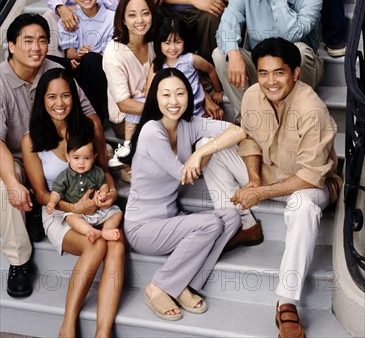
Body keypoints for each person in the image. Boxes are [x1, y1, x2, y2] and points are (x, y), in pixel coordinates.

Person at [182, 37, 342, 338]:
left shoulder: (313, 109)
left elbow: (309, 177)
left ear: (295, 73)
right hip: (268, 172)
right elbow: (250, 137)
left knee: (303, 206)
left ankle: (287, 302)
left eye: (279, 73)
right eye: (264, 73)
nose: (270, 81)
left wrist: (260, 192)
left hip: (307, 184)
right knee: (208, 147)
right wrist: (254, 177)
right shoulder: (255, 94)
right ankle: (241, 224)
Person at [0, 13, 113, 299]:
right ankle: (20, 261)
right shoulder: (1, 81)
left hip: (61, 148)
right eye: (27, 41)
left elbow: (88, 115)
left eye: (42, 40)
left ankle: (43, 206)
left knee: (99, 155)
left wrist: (98, 158)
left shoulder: (56, 73)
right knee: (6, 187)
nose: (35, 47)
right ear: (11, 45)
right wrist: (14, 183)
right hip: (14, 152)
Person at [124, 68, 241, 321]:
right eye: (166, 95)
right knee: (210, 223)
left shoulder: (190, 124)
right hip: (142, 227)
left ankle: (186, 285)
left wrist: (201, 151)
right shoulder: (151, 132)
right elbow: (186, 175)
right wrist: (205, 151)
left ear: (189, 96)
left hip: (170, 218)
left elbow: (238, 130)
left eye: (180, 93)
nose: (173, 101)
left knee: (232, 217)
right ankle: (158, 286)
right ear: (155, 98)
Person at [22, 68, 124, 338]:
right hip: (59, 212)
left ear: (74, 97)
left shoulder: (90, 127)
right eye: (52, 97)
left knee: (116, 243)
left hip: (96, 209)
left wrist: (109, 195)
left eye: (66, 95)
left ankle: (103, 332)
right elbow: (42, 195)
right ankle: (67, 327)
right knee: (97, 242)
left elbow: (105, 172)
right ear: (42, 100)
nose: (59, 104)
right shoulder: (31, 141)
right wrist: (75, 208)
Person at [213, 0, 323, 121]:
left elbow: (291, 35)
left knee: (300, 50)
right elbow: (226, 25)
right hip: (261, 68)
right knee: (221, 54)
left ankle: (293, 116)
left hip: (297, 69)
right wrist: (233, 53)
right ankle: (251, 119)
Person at [103, 0, 157, 162]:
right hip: (126, 119)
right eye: (132, 15)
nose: (140, 21)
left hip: (152, 104)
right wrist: (161, 110)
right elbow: (124, 104)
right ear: (123, 20)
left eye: (145, 13)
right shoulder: (114, 53)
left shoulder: (153, 40)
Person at [46, 122, 122, 244]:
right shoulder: (64, 176)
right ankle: (90, 231)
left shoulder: (97, 171)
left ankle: (106, 230)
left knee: (117, 212)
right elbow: (56, 192)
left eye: (87, 158)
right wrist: (52, 201)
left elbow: (104, 184)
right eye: (76, 158)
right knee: (70, 218)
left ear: (94, 157)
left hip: (98, 209)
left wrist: (103, 194)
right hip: (79, 213)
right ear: (68, 157)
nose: (81, 163)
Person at [57, 0, 115, 121]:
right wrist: (77, 56)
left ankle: (96, 118)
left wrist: (86, 56)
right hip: (79, 66)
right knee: (52, 61)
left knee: (91, 59)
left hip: (103, 69)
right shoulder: (70, 19)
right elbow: (69, 52)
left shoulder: (112, 18)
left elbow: (111, 53)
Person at [146, 16, 224, 120]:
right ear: (159, 43)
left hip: (198, 113)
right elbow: (148, 91)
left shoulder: (191, 59)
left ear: (184, 41)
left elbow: (211, 69)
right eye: (167, 43)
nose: (173, 48)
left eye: (178, 42)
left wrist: (217, 91)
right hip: (172, 114)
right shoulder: (158, 66)